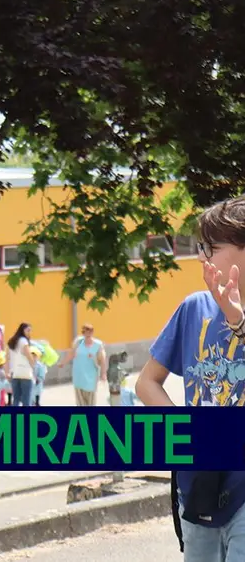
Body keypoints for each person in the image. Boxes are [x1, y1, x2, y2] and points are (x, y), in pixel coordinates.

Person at [137, 195, 245, 559]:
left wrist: (237, 322)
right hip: (198, 484)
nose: (202, 256)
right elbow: (147, 382)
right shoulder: (193, 308)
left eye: (211, 247)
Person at [58, 324, 106, 406]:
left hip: (91, 378)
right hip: (79, 377)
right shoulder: (79, 342)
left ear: (92, 332)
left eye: (89, 332)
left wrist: (103, 373)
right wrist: (63, 363)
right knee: (80, 404)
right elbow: (71, 353)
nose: (87, 334)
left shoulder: (97, 345)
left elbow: (102, 360)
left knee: (91, 403)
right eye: (85, 332)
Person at [6, 323, 37, 407]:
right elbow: (29, 356)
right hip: (25, 374)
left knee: (15, 399)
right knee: (26, 400)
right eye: (28, 330)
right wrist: (34, 366)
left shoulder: (11, 341)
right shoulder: (23, 341)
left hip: (15, 373)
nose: (29, 333)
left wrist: (7, 372)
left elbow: (7, 358)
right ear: (22, 330)